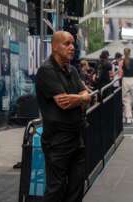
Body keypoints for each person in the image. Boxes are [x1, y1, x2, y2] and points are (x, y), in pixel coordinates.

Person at [35, 31, 91, 202]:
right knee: (56, 189)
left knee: (76, 187)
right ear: (54, 47)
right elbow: (64, 102)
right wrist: (82, 97)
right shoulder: (46, 71)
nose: (72, 47)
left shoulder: (72, 70)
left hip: (76, 136)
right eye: (67, 43)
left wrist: (81, 97)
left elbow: (85, 94)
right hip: (57, 141)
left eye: (73, 43)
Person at [120, 48, 133, 124]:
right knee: (131, 99)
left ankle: (127, 116)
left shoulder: (122, 61)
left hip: (125, 79)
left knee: (125, 99)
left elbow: (120, 72)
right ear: (130, 52)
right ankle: (129, 116)